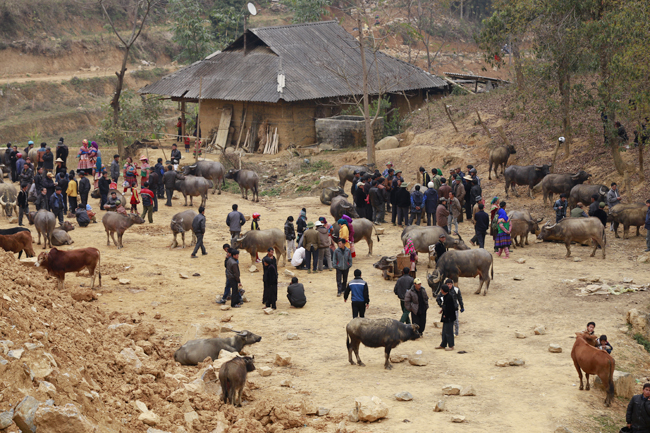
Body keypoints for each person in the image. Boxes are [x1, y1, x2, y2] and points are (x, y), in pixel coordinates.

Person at [435, 284, 456, 351]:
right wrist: (442, 309)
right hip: (446, 316)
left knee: (449, 331)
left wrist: (445, 315)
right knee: (444, 331)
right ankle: (443, 344)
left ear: (443, 290)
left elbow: (450, 308)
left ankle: (451, 345)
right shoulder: (446, 296)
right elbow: (445, 305)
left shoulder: (449, 297)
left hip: (449, 317)